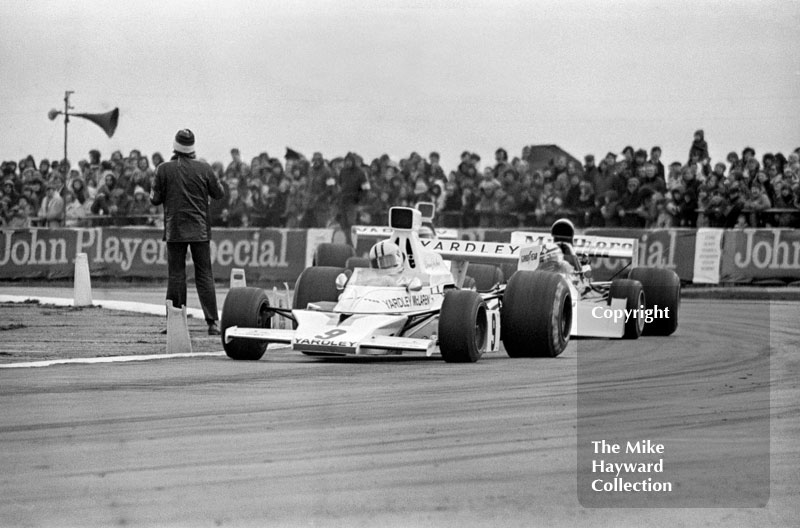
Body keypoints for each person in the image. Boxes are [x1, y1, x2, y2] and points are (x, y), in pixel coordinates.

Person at [150, 129, 226, 335]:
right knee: (204, 275)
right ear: (193, 147)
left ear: (175, 146)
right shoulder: (204, 168)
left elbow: (154, 199)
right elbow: (219, 193)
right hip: (200, 228)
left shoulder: (163, 169)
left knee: (176, 275)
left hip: (175, 228)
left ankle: (175, 322)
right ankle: (212, 322)